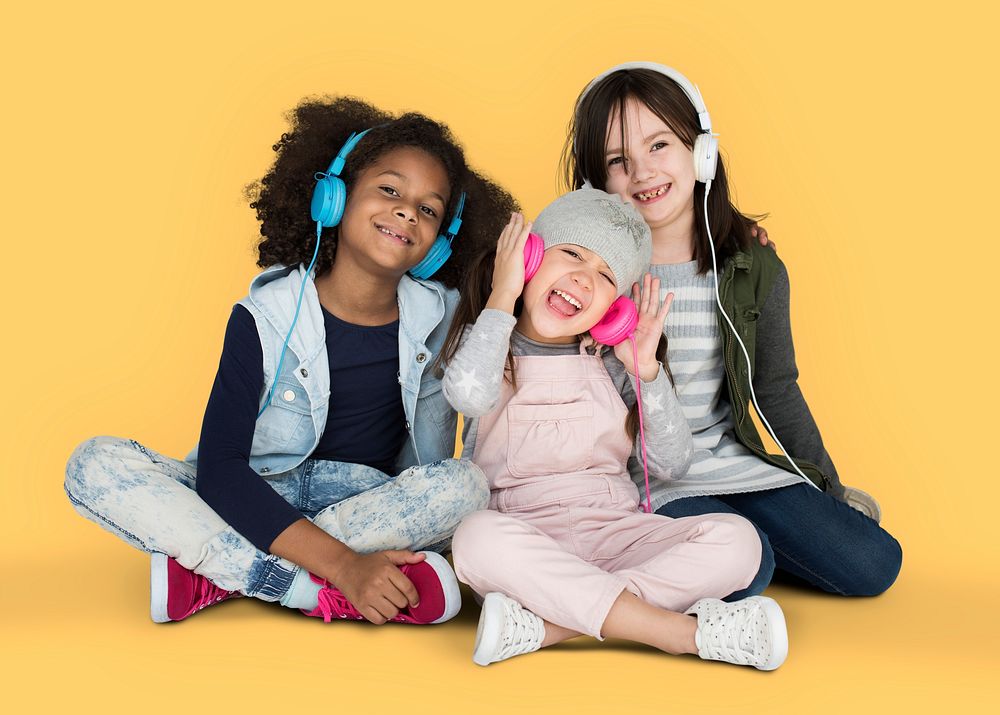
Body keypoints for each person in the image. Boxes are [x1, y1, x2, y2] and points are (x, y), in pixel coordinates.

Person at [65, 97, 517, 625]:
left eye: (428, 209)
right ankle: (309, 587)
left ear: (439, 244)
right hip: (255, 490)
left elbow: (429, 467)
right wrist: (348, 565)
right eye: (390, 190)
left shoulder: (441, 320)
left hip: (362, 502)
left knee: (464, 485)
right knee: (93, 463)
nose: (406, 212)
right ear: (334, 196)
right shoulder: (263, 317)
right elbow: (221, 472)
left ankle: (217, 571)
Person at [563, 62, 901, 596]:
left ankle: (738, 537)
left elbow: (776, 388)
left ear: (701, 152)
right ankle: (700, 546)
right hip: (645, 482)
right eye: (617, 161)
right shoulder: (585, 271)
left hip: (731, 464)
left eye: (659, 146)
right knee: (750, 571)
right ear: (595, 182)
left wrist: (827, 491)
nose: (643, 172)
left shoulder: (752, 265)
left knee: (873, 563)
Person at [443, 189, 788, 670]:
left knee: (740, 541)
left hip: (617, 533)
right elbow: (467, 395)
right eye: (572, 253)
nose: (583, 278)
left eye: (606, 276)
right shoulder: (488, 336)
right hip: (526, 539)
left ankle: (547, 627)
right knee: (474, 539)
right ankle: (679, 634)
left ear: (614, 309)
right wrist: (503, 295)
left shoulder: (615, 362)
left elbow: (671, 463)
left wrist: (647, 373)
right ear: (529, 257)